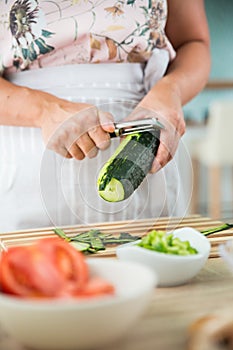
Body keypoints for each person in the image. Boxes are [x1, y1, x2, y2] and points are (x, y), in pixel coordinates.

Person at [0, 0, 210, 232]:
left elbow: (193, 42)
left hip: (145, 140)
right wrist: (43, 110)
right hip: (27, 152)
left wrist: (171, 91)